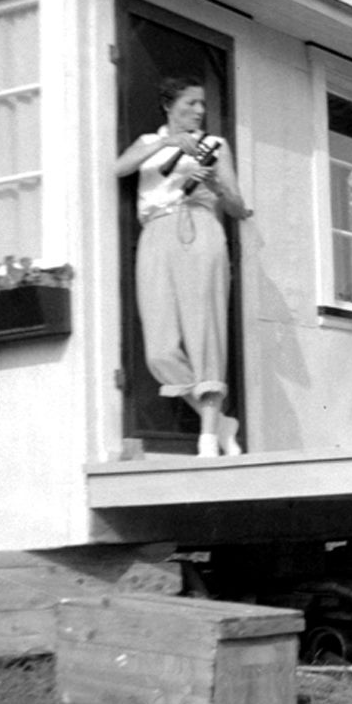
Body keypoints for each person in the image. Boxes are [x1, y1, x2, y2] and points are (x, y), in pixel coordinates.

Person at [113, 76, 252, 457]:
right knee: (160, 348)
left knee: (204, 329)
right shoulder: (148, 143)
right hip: (156, 232)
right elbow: (118, 168)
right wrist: (168, 142)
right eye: (191, 103)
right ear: (169, 105)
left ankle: (208, 434)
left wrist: (215, 187)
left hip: (202, 227)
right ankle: (223, 423)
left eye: (202, 105)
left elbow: (239, 208)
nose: (199, 111)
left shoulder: (216, 146)